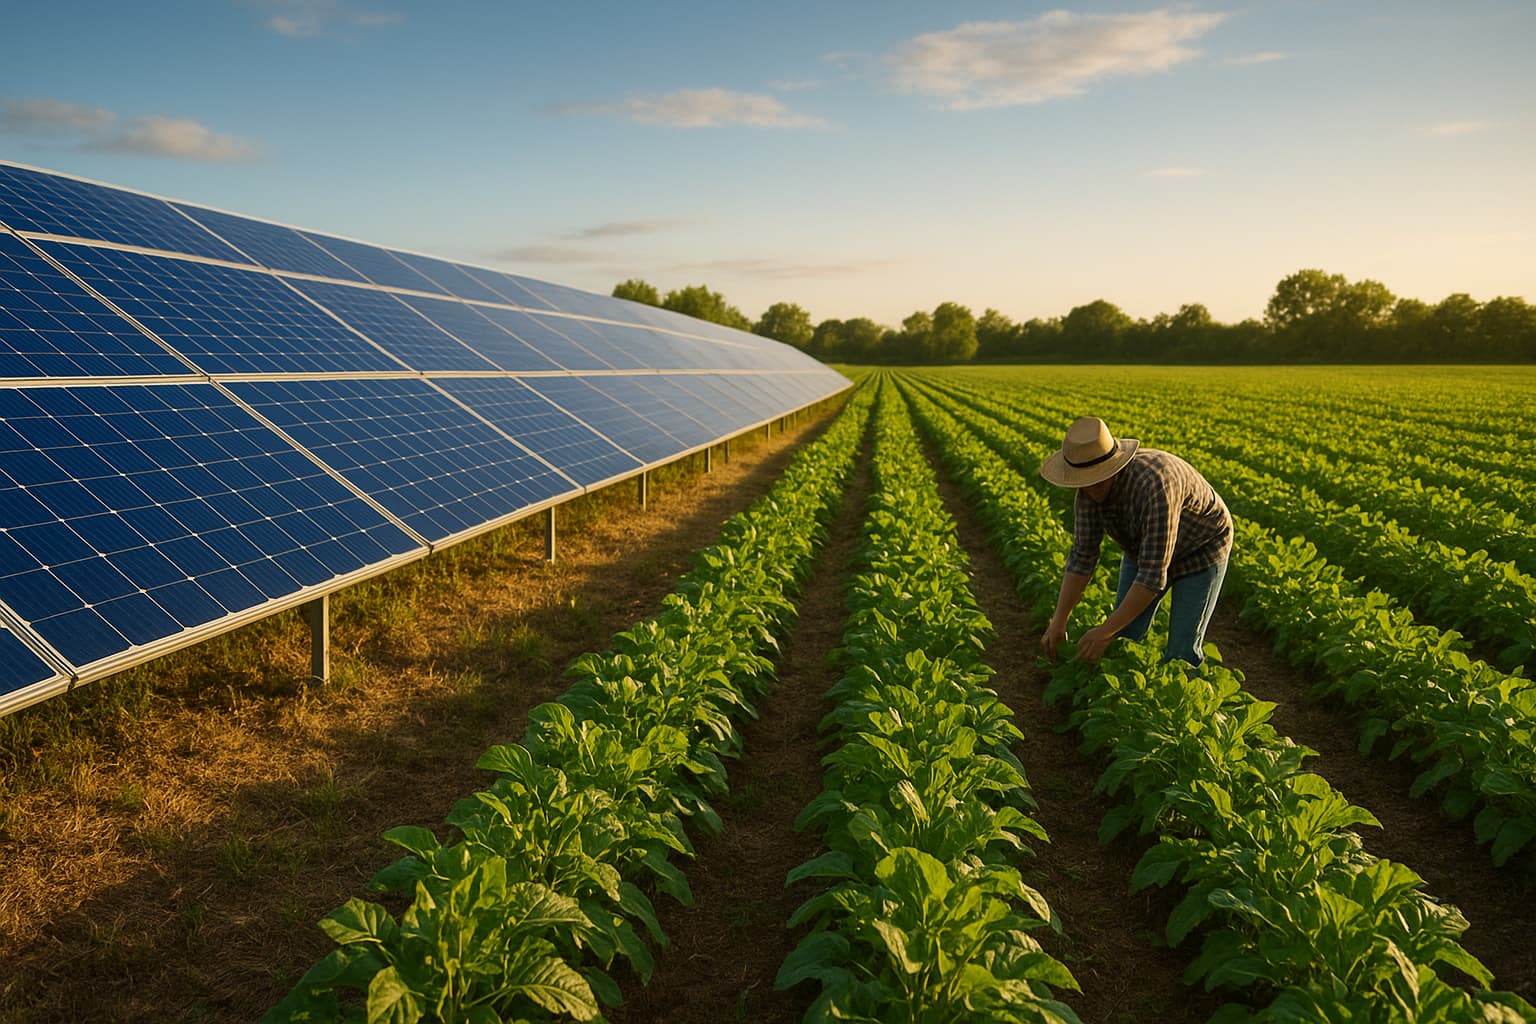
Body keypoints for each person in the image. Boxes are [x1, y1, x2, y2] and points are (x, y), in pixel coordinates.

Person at [1038, 416, 1232, 666]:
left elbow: (1152, 577)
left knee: (1181, 652)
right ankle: (1116, 697)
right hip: (1144, 548)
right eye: (1083, 480)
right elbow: (1082, 557)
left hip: (1201, 547)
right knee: (1123, 636)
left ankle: (1179, 693)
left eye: (1095, 478)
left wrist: (1104, 630)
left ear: (1113, 467)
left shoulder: (1154, 486)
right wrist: (1059, 620)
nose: (1089, 487)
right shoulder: (1088, 493)